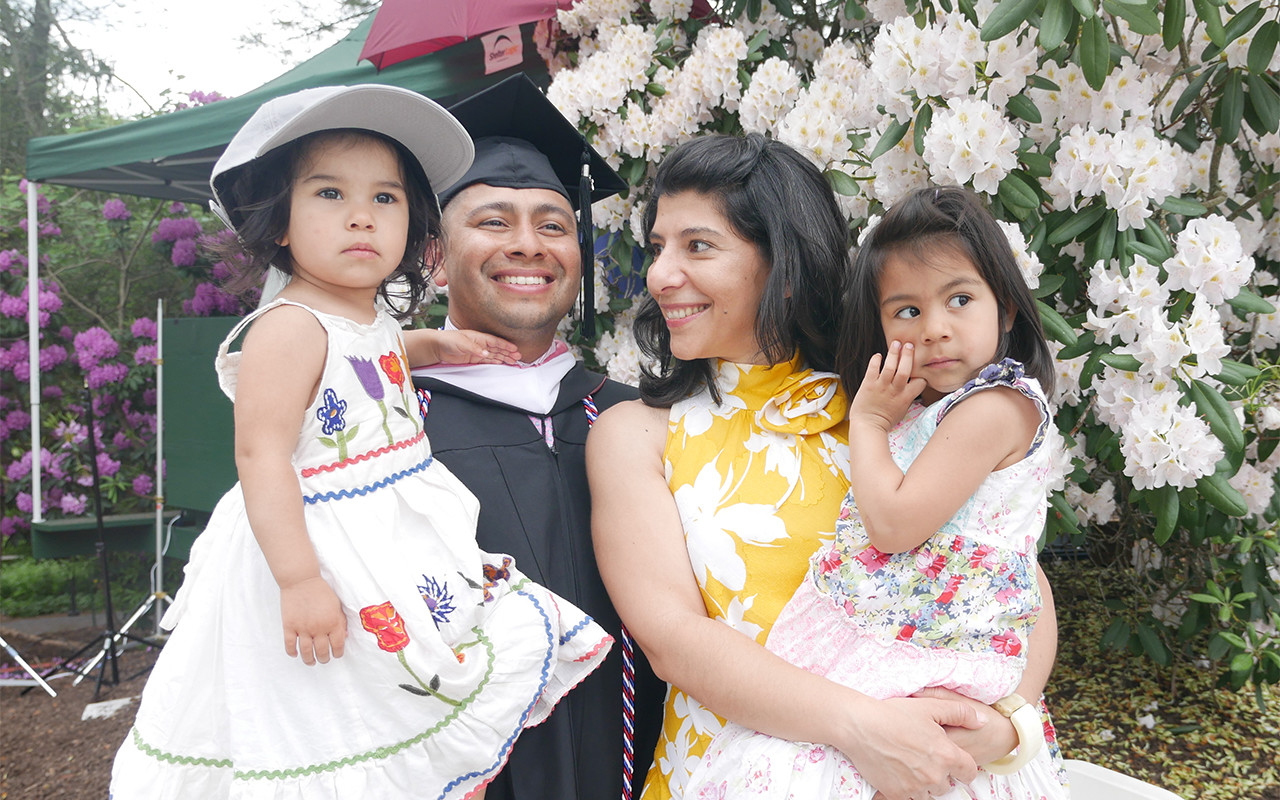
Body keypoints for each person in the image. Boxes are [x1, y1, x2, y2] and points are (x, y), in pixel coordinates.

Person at [110, 84, 613, 800]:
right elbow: (260, 455)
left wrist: (427, 344)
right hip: (327, 547)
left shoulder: (359, 315)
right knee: (338, 711)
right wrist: (299, 579)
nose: (360, 217)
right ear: (277, 220)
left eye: (385, 199)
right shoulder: (285, 327)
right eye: (327, 195)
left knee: (399, 686)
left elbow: (356, 361)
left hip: (386, 523)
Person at [588, 135, 1062, 800]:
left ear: (782, 260)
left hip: (935, 771)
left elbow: (1012, 571)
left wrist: (1009, 721)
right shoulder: (638, 435)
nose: (661, 274)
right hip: (740, 775)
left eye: (697, 246)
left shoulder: (894, 404)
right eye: (659, 246)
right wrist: (865, 729)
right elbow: (673, 636)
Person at [404, 74, 665, 800]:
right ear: (433, 252)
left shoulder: (627, 417)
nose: (529, 245)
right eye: (492, 221)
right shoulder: (391, 425)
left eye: (553, 224)